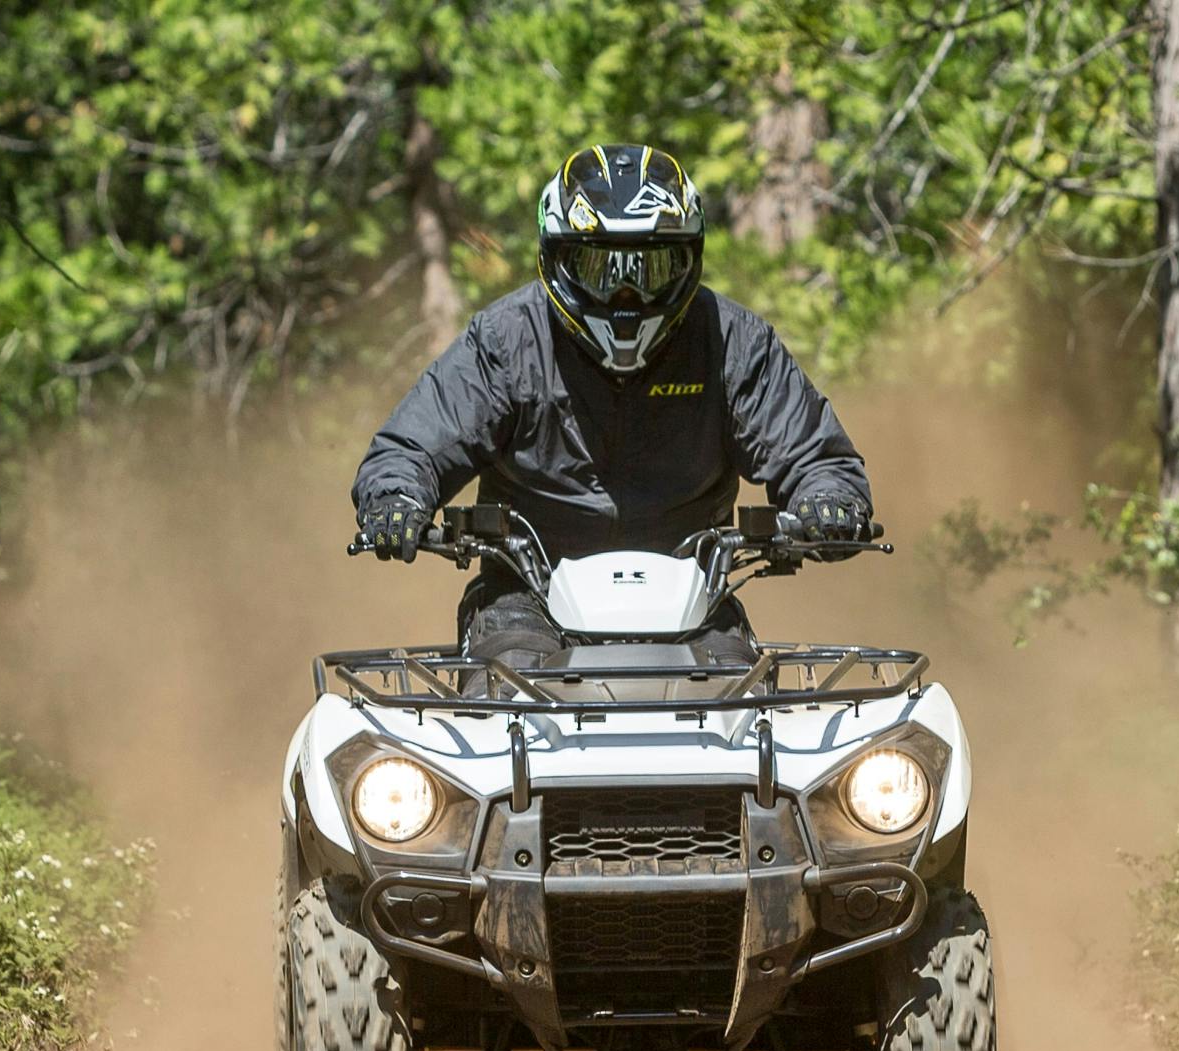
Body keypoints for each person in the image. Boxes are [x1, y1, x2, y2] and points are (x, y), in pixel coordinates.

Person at [353, 144, 872, 670]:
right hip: (526, 598)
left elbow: (816, 458)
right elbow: (413, 444)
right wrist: (396, 497)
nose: (626, 294)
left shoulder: (731, 341)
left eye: (651, 269)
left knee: (742, 700)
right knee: (506, 692)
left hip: (695, 598)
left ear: (689, 260)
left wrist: (827, 503)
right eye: (602, 268)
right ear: (556, 259)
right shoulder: (508, 340)